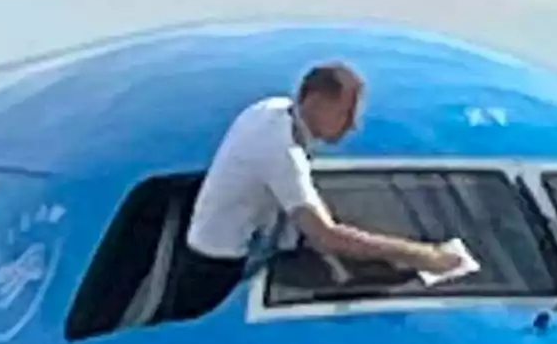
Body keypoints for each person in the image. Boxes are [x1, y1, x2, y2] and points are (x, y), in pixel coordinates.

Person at [167, 62, 463, 320]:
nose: (353, 126)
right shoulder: (280, 152)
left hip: (213, 241)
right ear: (317, 102)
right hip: (216, 268)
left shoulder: (271, 109)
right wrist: (425, 256)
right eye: (346, 114)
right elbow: (327, 236)